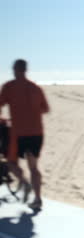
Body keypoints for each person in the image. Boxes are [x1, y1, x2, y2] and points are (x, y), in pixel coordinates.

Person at [0, 59, 50, 209]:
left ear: (15, 69)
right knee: (33, 167)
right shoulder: (35, 88)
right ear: (25, 70)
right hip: (37, 133)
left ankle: (25, 182)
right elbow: (45, 109)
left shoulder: (9, 87)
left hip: (19, 134)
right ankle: (38, 199)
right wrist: (31, 113)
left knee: (10, 162)